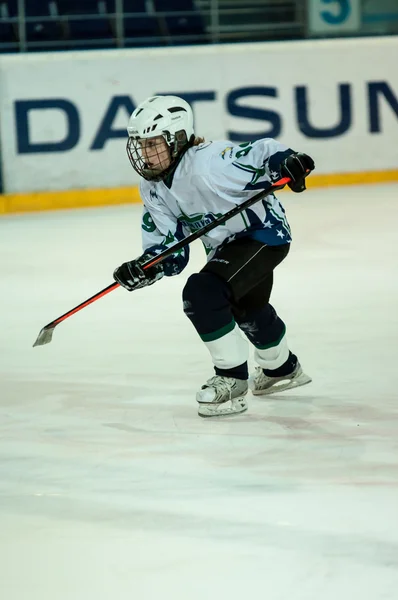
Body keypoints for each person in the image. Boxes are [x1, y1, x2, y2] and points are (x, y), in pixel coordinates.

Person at [113, 95, 314, 418]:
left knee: (203, 293)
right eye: (141, 145)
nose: (145, 154)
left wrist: (288, 161)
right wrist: (145, 268)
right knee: (249, 309)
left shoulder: (210, 162)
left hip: (263, 235)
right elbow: (171, 252)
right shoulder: (151, 188)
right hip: (229, 248)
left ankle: (232, 379)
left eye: (153, 144)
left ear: (177, 139)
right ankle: (282, 370)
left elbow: (262, 152)